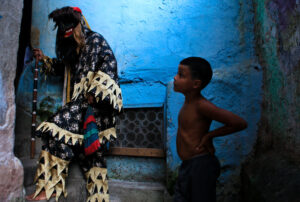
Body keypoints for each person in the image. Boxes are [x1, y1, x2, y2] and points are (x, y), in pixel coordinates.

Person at [26, 6, 122, 202]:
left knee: (56, 128)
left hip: (96, 109)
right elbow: (62, 68)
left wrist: (95, 92)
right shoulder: (74, 51)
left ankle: (50, 188)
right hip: (81, 109)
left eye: (72, 32)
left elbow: (109, 64)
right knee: (91, 157)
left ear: (80, 24)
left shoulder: (96, 40)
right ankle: (98, 197)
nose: (70, 37)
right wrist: (44, 60)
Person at [173, 57, 247, 202]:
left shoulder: (201, 105)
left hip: (201, 166)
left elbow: (239, 123)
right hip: (188, 165)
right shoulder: (188, 103)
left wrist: (210, 136)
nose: (175, 78)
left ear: (196, 84)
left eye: (181, 75)